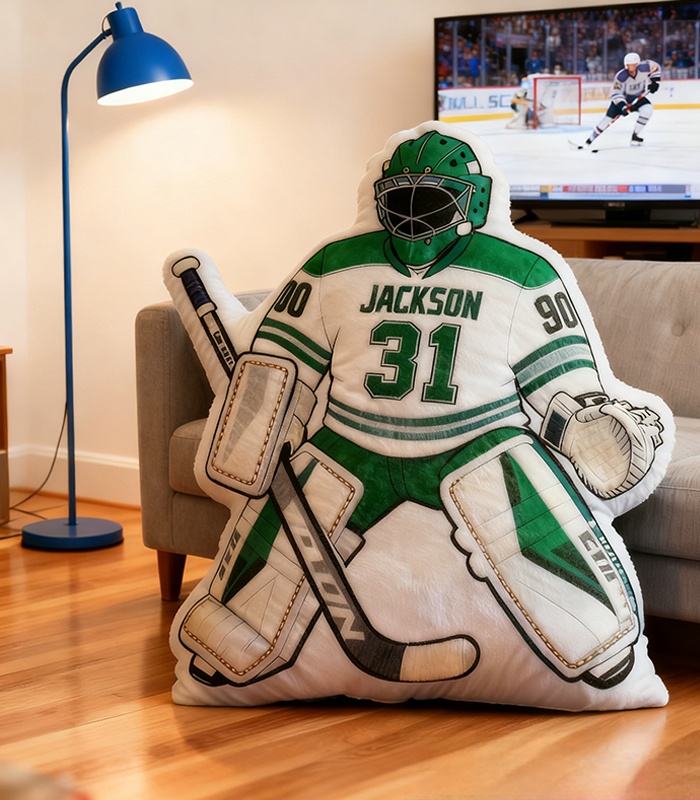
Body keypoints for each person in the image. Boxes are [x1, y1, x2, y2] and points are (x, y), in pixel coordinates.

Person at [167, 126, 665, 693]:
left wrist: (586, 426)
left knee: (525, 507)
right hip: (352, 439)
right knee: (289, 520)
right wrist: (265, 422)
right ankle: (231, 640)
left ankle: (593, 637)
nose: (411, 215)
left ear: (472, 202)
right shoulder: (336, 263)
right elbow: (284, 357)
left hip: (476, 437)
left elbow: (560, 381)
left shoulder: (522, 271)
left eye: (428, 199)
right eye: (399, 199)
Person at [582, 52, 661, 147]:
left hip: (637, 98)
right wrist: (623, 107)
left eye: (634, 65)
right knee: (607, 120)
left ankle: (635, 136)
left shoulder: (644, 68)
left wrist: (655, 81)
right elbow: (616, 94)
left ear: (637, 64)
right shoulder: (621, 77)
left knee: (647, 110)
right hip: (622, 101)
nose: (632, 67)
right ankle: (590, 139)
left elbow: (656, 67)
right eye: (629, 65)